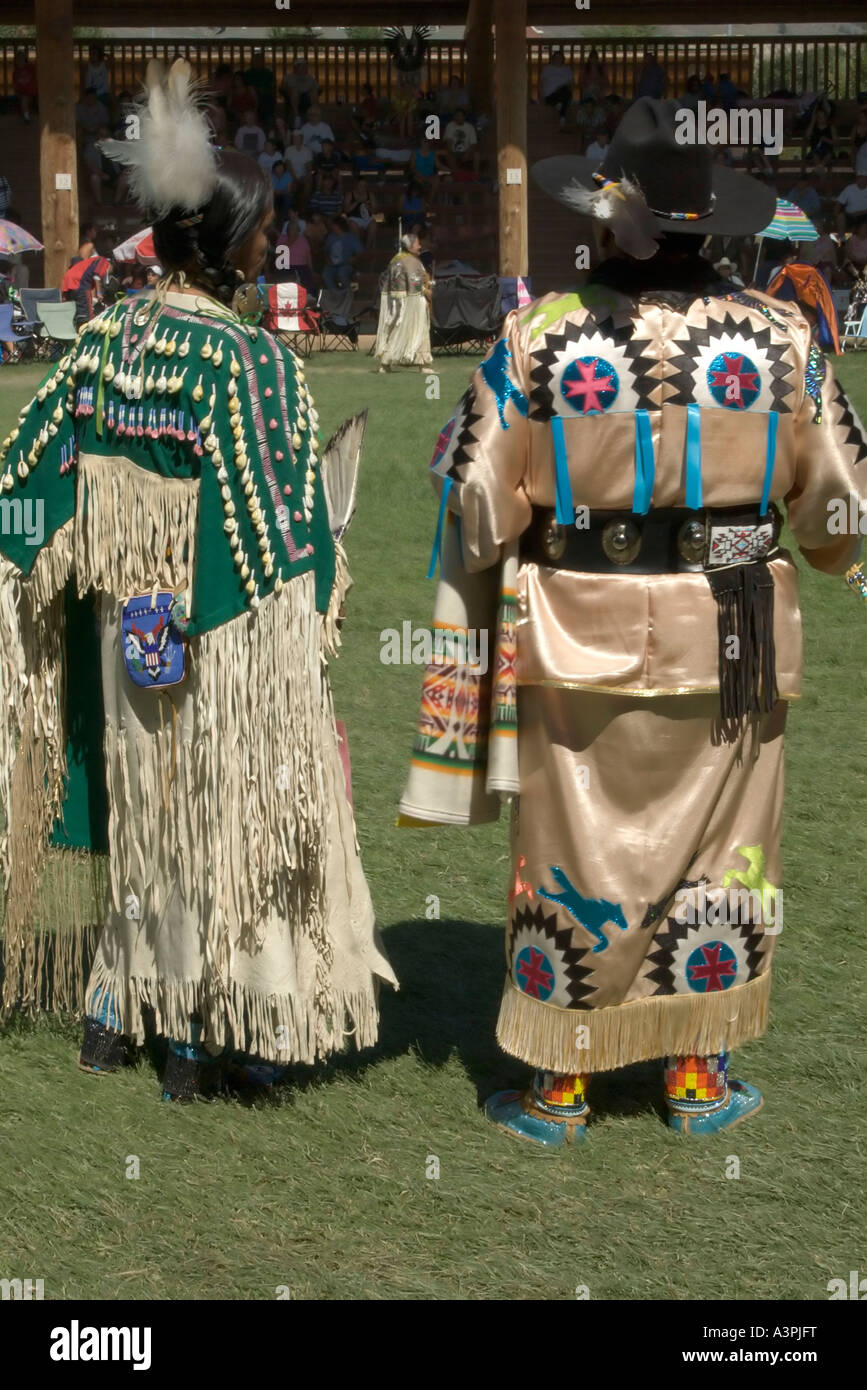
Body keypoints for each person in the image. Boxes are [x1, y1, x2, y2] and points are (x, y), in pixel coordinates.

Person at [399, 97, 867, 1148]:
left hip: (579, 634)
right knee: (725, 850)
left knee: (574, 849)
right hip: (735, 635)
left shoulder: (542, 336)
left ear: (610, 221)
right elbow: (840, 513)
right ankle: (696, 1073)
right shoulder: (783, 338)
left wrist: (524, 503)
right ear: (709, 224)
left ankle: (561, 1085)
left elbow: (474, 500)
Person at [0, 59, 395, 1095]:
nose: (272, 249)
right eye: (263, 235)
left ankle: (112, 1008)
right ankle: (201, 1034)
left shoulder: (104, 340)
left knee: (144, 810)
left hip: (126, 631)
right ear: (224, 248)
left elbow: (27, 480)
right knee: (221, 814)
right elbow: (279, 534)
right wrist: (297, 616)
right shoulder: (247, 361)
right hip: (220, 638)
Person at [373, 231, 432, 371]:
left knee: (394, 329)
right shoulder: (409, 261)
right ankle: (423, 365)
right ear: (410, 246)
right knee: (418, 330)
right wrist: (426, 291)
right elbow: (414, 281)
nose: (420, 246)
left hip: (397, 301)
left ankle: (385, 364)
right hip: (410, 301)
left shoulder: (397, 259)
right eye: (417, 243)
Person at [323, 215, 363, 291]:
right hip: (332, 264)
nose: (332, 227)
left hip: (346, 264)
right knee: (326, 275)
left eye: (333, 225)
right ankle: (336, 294)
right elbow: (325, 251)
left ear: (338, 226)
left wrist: (355, 258)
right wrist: (326, 258)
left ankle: (349, 294)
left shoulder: (351, 238)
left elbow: (360, 252)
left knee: (342, 274)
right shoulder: (331, 237)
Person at [539, 49, 574, 128]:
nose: (558, 59)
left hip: (563, 93)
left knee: (564, 91)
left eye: (560, 57)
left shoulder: (567, 69)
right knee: (560, 99)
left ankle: (561, 114)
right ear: (553, 58)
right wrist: (541, 97)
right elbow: (541, 84)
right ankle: (562, 115)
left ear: (563, 59)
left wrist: (560, 89)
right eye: (556, 57)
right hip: (550, 95)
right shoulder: (547, 69)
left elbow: (571, 84)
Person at [441, 109, 480, 175]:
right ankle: (456, 174)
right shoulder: (450, 126)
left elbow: (473, 144)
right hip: (453, 151)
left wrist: (467, 153)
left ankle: (476, 175)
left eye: (460, 116)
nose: (458, 118)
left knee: (477, 155)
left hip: (466, 151)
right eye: (456, 116)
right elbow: (448, 141)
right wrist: (452, 152)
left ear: (464, 117)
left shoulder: (470, 127)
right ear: (454, 117)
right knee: (448, 155)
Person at [280, 59, 319, 126]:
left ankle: (313, 112)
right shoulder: (288, 77)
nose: (304, 68)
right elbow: (282, 88)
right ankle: (296, 115)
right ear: (295, 68)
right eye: (301, 66)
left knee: (314, 92)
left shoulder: (310, 78)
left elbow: (317, 88)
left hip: (306, 97)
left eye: (305, 67)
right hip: (292, 97)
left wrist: (313, 91)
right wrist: (288, 90)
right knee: (294, 92)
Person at [243, 50, 276, 127]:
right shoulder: (248, 73)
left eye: (260, 60)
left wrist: (264, 90)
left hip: (265, 96)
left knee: (267, 100)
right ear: (252, 61)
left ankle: (268, 123)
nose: (258, 62)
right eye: (256, 60)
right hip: (250, 97)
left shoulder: (268, 73)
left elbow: (272, 87)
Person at [12, 48, 37, 123]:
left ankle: (26, 114)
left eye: (22, 59)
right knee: (24, 100)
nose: (20, 61)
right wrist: (16, 91)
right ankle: (26, 117)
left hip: (32, 91)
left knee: (25, 100)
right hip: (22, 92)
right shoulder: (16, 72)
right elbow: (15, 84)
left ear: (25, 59)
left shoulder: (31, 67)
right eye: (18, 59)